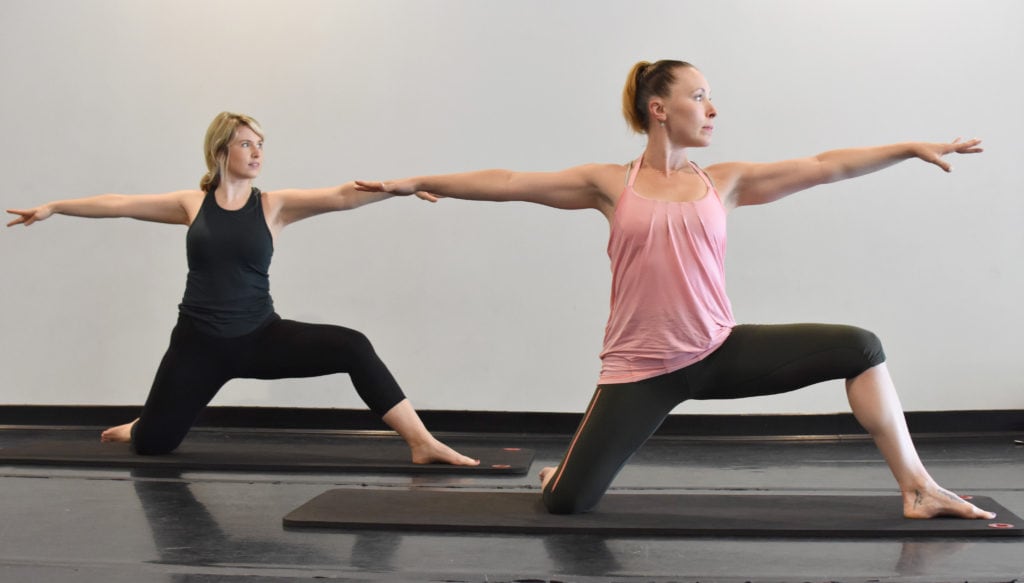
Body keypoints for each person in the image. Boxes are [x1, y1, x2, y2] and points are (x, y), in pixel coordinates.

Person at [355, 60, 994, 518]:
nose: (712, 110)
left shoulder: (726, 181)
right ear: (659, 108)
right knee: (567, 505)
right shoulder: (610, 183)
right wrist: (417, 180)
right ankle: (567, 471)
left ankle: (917, 485)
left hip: (719, 349)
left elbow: (825, 165)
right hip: (641, 372)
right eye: (700, 96)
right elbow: (510, 179)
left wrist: (908, 147)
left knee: (860, 345)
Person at [6, 111, 478, 467]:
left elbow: (341, 195)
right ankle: (145, 424)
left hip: (259, 337)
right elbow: (119, 203)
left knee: (353, 345)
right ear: (221, 152)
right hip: (197, 345)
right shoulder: (191, 204)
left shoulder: (274, 205)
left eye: (261, 145)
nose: (257, 153)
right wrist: (55, 206)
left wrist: (403, 187)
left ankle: (421, 442)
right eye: (247, 144)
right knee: (154, 446)